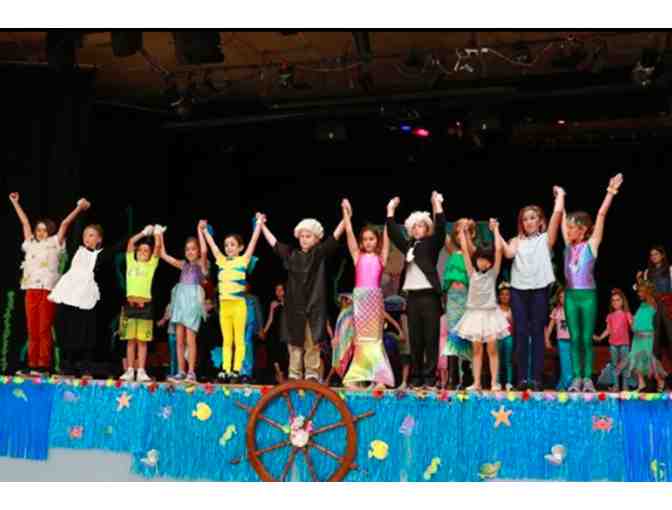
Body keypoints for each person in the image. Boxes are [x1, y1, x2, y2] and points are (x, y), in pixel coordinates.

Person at [494, 186, 565, 392]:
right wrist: (496, 231)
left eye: (532, 218)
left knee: (537, 332)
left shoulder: (545, 239)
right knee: (521, 332)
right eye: (525, 219)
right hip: (518, 290)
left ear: (540, 221)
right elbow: (508, 253)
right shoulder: (516, 240)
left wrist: (560, 197)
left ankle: (536, 378)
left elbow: (556, 217)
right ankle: (522, 378)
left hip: (539, 290)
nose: (528, 222)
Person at [9, 193, 89, 375]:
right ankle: (32, 364)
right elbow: (24, 222)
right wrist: (15, 203)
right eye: (38, 230)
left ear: (50, 231)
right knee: (32, 329)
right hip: (31, 289)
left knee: (44, 328)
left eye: (44, 230)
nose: (40, 233)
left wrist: (79, 208)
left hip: (47, 290)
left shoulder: (55, 242)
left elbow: (65, 223)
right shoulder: (30, 243)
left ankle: (43, 365)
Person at [260, 211, 345, 382]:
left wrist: (345, 219)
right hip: (294, 307)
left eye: (308, 236)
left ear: (316, 239)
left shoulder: (319, 254)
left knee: (312, 341)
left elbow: (334, 238)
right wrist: (262, 226)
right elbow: (274, 243)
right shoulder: (291, 254)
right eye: (302, 236)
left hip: (314, 306)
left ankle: (312, 373)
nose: (304, 239)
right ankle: (294, 373)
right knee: (294, 342)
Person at [562, 173, 623, 393]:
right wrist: (560, 198)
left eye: (571, 228)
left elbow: (601, 214)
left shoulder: (592, 244)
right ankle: (575, 378)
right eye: (567, 228)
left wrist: (611, 191)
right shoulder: (568, 246)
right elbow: (561, 217)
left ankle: (587, 378)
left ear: (583, 229)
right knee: (575, 338)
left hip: (588, 296)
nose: (568, 231)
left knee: (586, 338)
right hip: (571, 296)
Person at [331, 199, 394, 389]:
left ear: (377, 241)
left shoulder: (381, 258)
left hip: (374, 301)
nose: (368, 242)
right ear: (361, 242)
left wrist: (389, 211)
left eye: (372, 239)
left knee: (375, 340)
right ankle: (356, 377)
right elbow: (349, 234)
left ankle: (379, 379)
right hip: (360, 301)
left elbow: (387, 237)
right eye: (365, 239)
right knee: (360, 340)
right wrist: (345, 213)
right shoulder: (357, 256)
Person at [49, 220, 124, 378]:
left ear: (99, 239)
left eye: (91, 235)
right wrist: (79, 209)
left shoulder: (100, 254)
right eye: (85, 235)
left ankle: (85, 368)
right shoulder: (77, 249)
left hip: (85, 297)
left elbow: (118, 247)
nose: (87, 238)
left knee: (86, 333)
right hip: (69, 295)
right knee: (68, 331)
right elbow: (73, 227)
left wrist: (141, 234)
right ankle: (67, 367)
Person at [386, 191, 446, 389]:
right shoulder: (408, 246)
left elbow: (441, 228)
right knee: (416, 339)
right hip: (412, 298)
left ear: (427, 228)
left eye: (421, 225)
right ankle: (416, 376)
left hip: (429, 297)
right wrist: (390, 210)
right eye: (415, 226)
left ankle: (430, 377)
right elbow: (394, 233)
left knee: (431, 338)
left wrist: (437, 204)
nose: (418, 229)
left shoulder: (431, 244)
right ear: (411, 230)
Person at [202, 216, 263, 384]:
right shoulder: (221, 260)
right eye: (227, 245)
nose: (229, 248)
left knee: (239, 339)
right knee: (227, 340)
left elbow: (253, 241)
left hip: (238, 306)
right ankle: (226, 370)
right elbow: (212, 245)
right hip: (225, 307)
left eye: (233, 245)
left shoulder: (243, 260)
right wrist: (205, 231)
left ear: (240, 248)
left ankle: (236, 370)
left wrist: (258, 224)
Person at [452, 220, 509, 391]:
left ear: (491, 262)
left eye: (486, 260)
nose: (483, 262)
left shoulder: (493, 273)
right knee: (476, 349)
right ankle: (476, 382)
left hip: (490, 315)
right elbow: (465, 250)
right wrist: (463, 233)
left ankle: (494, 382)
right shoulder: (472, 273)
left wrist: (496, 229)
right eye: (480, 259)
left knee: (492, 348)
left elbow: (498, 250)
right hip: (474, 315)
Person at [157, 223, 209, 383]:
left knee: (190, 339)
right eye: (187, 249)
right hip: (180, 301)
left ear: (198, 251)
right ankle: (181, 371)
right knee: (179, 339)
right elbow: (163, 254)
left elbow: (205, 250)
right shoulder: (183, 265)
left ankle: (191, 372)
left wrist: (200, 230)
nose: (190, 252)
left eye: (193, 249)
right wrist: (160, 235)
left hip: (192, 302)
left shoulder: (201, 265)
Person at [119, 226, 162, 382]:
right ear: (136, 252)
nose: (143, 252)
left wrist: (157, 234)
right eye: (140, 250)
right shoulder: (131, 262)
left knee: (142, 341)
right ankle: (130, 370)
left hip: (145, 307)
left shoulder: (151, 265)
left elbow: (158, 247)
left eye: (146, 251)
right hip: (130, 306)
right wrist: (143, 233)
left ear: (150, 255)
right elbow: (131, 242)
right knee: (130, 340)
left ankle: (142, 370)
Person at [440, 219, 478, 389]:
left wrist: (465, 233)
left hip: (467, 297)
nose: (460, 234)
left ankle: (467, 374)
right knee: (453, 334)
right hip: (452, 298)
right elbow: (442, 234)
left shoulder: (473, 251)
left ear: (472, 233)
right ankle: (452, 376)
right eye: (457, 231)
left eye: (465, 230)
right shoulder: (453, 251)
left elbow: (469, 249)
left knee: (466, 335)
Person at [621, 279, 666, 392]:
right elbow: (638, 319)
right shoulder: (642, 305)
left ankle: (660, 380)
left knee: (647, 360)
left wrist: (639, 281)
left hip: (646, 336)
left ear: (647, 292)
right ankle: (641, 383)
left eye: (641, 292)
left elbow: (647, 289)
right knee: (635, 360)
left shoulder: (652, 302)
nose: (638, 294)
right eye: (638, 292)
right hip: (637, 337)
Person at [636, 246, 672, 362]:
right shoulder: (647, 272)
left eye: (656, 254)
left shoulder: (670, 270)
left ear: (662, 255)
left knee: (670, 331)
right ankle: (655, 362)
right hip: (653, 305)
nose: (654, 257)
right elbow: (644, 290)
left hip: (667, 304)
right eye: (651, 255)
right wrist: (639, 279)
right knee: (654, 333)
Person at [595, 289, 634, 392]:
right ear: (611, 303)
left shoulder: (626, 314)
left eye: (618, 300)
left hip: (624, 344)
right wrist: (600, 337)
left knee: (624, 365)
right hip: (613, 344)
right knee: (614, 365)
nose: (615, 302)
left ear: (622, 302)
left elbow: (633, 327)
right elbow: (608, 330)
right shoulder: (610, 316)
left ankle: (625, 387)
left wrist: (636, 326)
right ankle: (616, 386)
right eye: (613, 300)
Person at [545, 287, 573, 391]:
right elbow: (551, 326)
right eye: (561, 297)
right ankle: (567, 384)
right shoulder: (556, 310)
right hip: (562, 341)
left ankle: (564, 384)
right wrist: (547, 339)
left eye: (565, 296)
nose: (563, 299)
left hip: (573, 340)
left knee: (572, 363)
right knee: (565, 363)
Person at [261, 283, 289, 383]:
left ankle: (286, 375)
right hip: (275, 332)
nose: (278, 292)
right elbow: (270, 319)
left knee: (285, 354)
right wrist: (264, 331)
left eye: (281, 290)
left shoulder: (290, 303)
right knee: (274, 354)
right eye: (277, 290)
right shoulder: (273, 304)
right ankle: (279, 374)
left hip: (287, 333)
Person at [497, 283, 515, 391]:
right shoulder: (496, 309)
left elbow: (514, 325)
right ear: (499, 296)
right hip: (498, 337)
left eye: (507, 294)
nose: (504, 296)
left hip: (509, 337)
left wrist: (511, 319)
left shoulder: (512, 310)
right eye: (502, 294)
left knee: (508, 360)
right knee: (498, 360)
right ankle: (498, 381)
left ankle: (509, 382)